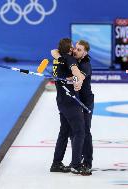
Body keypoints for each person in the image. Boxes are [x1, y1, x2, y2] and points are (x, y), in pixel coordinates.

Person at [50, 40, 94, 175]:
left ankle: (86, 162)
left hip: (85, 102)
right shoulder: (67, 59)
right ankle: (75, 163)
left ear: (85, 52)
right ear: (69, 49)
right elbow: (54, 51)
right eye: (75, 48)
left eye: (79, 50)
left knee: (84, 132)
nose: (76, 51)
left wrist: (78, 82)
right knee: (73, 132)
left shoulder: (85, 64)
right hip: (71, 100)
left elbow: (79, 75)